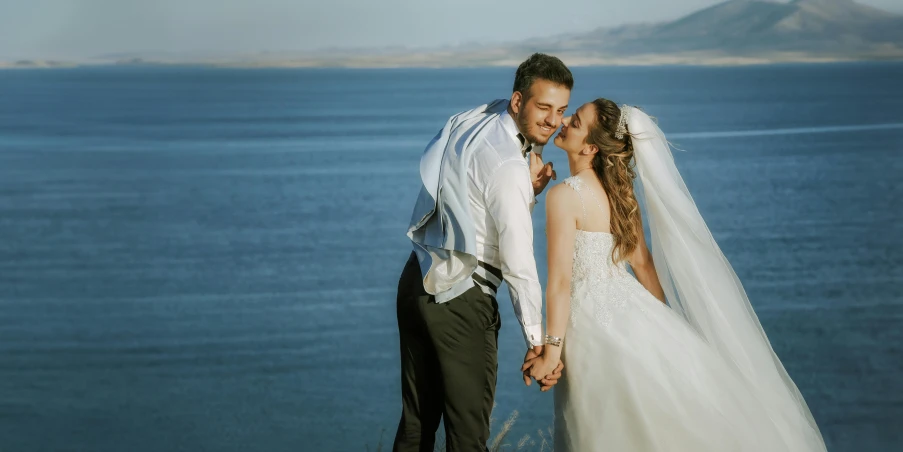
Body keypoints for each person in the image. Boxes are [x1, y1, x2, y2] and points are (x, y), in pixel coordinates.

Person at [523, 99, 828, 451]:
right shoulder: (619, 194)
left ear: (591, 146)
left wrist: (552, 350)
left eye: (575, 122)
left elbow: (560, 284)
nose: (565, 122)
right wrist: (663, 323)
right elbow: (642, 263)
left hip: (590, 328)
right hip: (633, 315)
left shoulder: (563, 196)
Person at [394, 53, 570, 451]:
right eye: (544, 107)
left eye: (561, 110)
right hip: (460, 298)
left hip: (415, 279)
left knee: (416, 426)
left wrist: (528, 191)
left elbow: (476, 196)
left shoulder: (478, 118)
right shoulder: (509, 168)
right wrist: (537, 341)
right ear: (517, 101)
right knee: (468, 438)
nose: (553, 120)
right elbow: (518, 261)